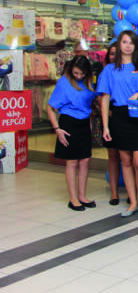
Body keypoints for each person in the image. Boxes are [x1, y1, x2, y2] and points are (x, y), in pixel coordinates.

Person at [98, 30, 138, 217]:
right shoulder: (109, 70)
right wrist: (106, 126)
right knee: (125, 162)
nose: (127, 46)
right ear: (119, 44)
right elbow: (105, 98)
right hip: (119, 117)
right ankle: (133, 202)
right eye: (124, 42)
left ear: (136, 46)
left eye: (131, 42)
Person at [47, 56, 96, 211]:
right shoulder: (64, 82)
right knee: (72, 161)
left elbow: (92, 100)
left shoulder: (89, 82)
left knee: (85, 160)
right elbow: (50, 107)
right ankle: (73, 198)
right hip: (68, 122)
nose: (79, 76)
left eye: (82, 73)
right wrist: (57, 129)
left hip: (84, 122)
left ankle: (82, 196)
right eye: (76, 73)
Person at [100, 43, 122, 205]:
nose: (114, 57)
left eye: (117, 53)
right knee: (113, 157)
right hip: (111, 117)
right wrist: (107, 113)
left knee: (128, 157)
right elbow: (101, 96)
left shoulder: (131, 70)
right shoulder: (106, 71)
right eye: (112, 54)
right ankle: (114, 193)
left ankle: (133, 191)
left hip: (127, 117)